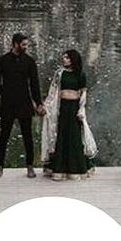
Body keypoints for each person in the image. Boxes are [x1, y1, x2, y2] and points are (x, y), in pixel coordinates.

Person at [0, 32, 45, 179]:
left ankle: (30, 166)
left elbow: (34, 84)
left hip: (24, 103)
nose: (26, 47)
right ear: (15, 44)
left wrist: (38, 103)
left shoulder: (29, 61)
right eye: (23, 44)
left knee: (28, 136)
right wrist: (3, 92)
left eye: (26, 45)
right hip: (8, 103)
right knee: (4, 136)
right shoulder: (2, 60)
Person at [41, 48, 97, 181]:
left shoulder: (80, 74)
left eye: (67, 57)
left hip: (74, 108)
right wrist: (47, 106)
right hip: (62, 108)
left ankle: (76, 169)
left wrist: (81, 110)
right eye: (64, 57)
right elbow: (53, 92)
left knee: (74, 137)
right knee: (61, 136)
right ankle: (59, 169)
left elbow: (83, 94)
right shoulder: (59, 74)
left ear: (73, 59)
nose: (64, 59)